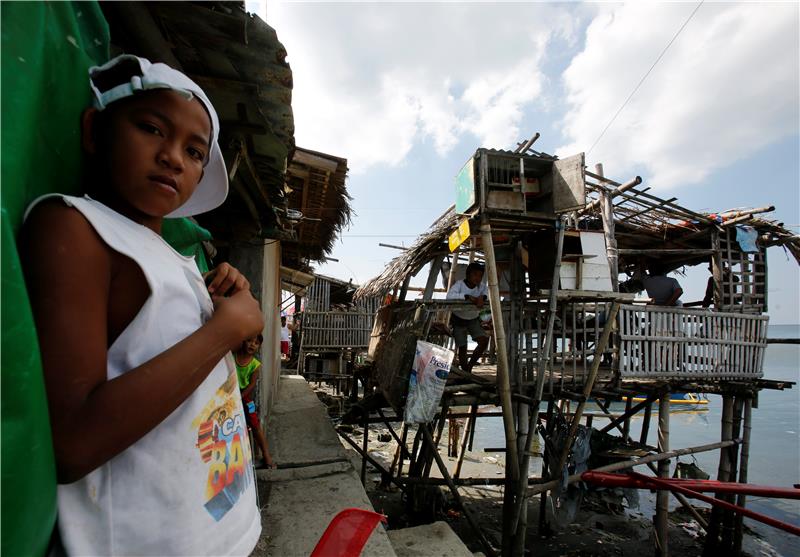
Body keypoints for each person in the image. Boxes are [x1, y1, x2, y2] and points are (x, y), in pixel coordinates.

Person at [19, 55, 263, 556]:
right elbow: (73, 443)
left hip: (223, 532)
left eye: (195, 152)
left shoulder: (178, 257)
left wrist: (233, 327)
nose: (174, 157)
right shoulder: (76, 228)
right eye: (151, 128)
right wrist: (223, 330)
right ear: (94, 129)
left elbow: (193, 376)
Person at [234, 335, 275, 469]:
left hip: (245, 397)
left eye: (256, 343)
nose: (252, 345)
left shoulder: (255, 365)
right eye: (249, 341)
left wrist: (240, 396)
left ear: (259, 347)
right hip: (228, 394)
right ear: (243, 342)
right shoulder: (232, 357)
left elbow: (252, 385)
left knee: (255, 425)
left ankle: (266, 455)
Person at [446, 262, 491, 372]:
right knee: (463, 347)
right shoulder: (460, 284)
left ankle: (468, 368)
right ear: (468, 274)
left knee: (484, 341)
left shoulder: (482, 286)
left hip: (473, 319)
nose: (478, 278)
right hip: (458, 319)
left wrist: (483, 297)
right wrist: (466, 296)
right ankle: (465, 371)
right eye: (475, 274)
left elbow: (487, 294)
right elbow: (449, 296)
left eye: (480, 275)